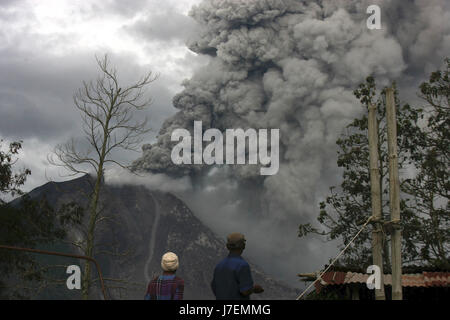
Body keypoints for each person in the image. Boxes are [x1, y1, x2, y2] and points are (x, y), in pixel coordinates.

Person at [211, 232, 264, 300]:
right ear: (243, 246)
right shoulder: (242, 265)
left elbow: (214, 287)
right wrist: (254, 289)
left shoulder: (219, 265)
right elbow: (245, 291)